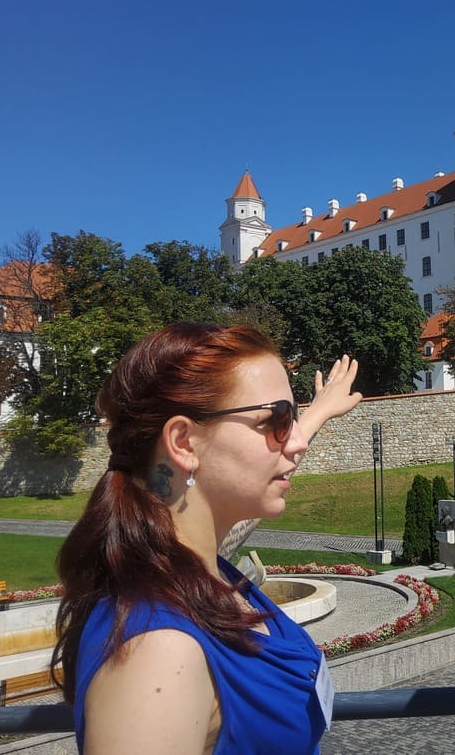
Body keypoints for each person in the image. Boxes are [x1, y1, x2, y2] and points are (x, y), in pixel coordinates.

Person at [53, 323, 362, 754]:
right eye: (276, 419)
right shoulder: (156, 656)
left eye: (291, 419)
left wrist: (317, 413)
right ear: (183, 442)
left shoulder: (200, 566)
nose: (295, 443)